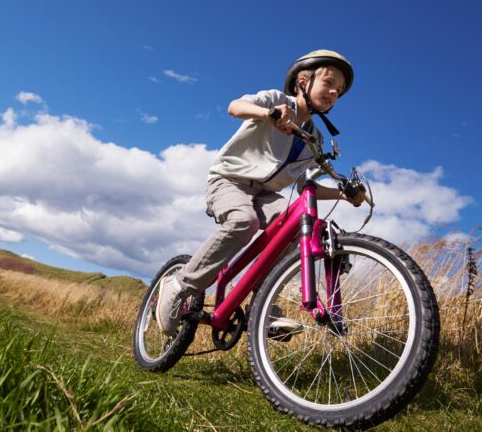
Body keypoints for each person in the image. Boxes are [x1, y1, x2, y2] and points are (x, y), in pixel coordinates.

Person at [156, 50, 366, 336]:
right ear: (303, 80)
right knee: (244, 221)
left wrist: (343, 194)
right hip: (229, 181)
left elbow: (307, 188)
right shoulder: (277, 101)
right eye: (329, 83)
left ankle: (262, 305)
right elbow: (235, 106)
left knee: (296, 227)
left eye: (339, 91)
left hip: (265, 195)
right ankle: (180, 285)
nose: (333, 93)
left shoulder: (314, 138)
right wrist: (268, 115)